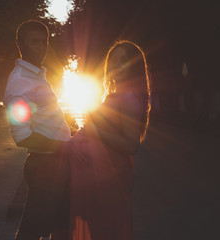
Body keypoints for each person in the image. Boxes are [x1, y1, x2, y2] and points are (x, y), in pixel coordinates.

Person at [68, 40, 151, 240]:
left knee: (106, 232)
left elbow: (132, 145)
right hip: (97, 180)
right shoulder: (115, 94)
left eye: (123, 60)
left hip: (110, 181)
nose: (117, 65)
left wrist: (96, 132)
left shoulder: (130, 98)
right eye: (113, 61)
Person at [4, 20, 71, 240]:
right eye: (35, 42)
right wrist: (63, 146)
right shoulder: (21, 83)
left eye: (45, 42)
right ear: (19, 44)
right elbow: (22, 135)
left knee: (61, 227)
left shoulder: (35, 77)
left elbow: (45, 120)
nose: (41, 47)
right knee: (31, 232)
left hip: (56, 164)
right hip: (45, 167)